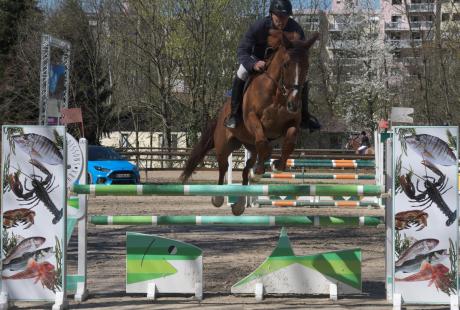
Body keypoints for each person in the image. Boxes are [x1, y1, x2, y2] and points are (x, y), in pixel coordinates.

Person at [224, 0, 321, 132]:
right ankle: (234, 114)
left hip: (283, 64)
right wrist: (253, 64)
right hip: (257, 59)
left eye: (285, 17)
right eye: (279, 17)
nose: (282, 20)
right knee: (241, 72)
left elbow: (300, 53)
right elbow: (242, 49)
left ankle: (304, 117)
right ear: (271, 14)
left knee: (304, 79)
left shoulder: (296, 29)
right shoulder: (260, 26)